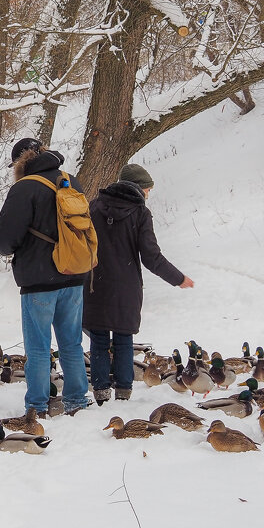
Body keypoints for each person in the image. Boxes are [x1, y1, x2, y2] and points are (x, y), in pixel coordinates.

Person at [0, 137, 91, 416]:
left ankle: (37, 405)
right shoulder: (71, 181)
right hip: (73, 273)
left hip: (38, 279)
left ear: (20, 164)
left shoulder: (24, 188)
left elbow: (6, 241)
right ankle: (76, 400)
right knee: (71, 342)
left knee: (38, 346)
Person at [83, 163, 193, 404]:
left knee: (98, 339)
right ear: (139, 188)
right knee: (123, 339)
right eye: (148, 190)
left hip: (94, 284)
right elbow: (151, 256)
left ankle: (101, 391)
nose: (148, 194)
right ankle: (123, 392)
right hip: (126, 287)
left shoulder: (94, 207)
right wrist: (178, 278)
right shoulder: (140, 213)